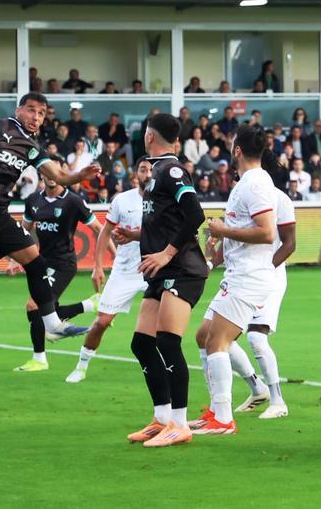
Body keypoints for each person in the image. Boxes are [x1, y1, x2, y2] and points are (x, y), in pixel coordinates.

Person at [0, 93, 101, 375]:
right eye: (31, 110)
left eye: (41, 113)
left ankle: (52, 324)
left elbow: (60, 176)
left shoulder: (31, 147)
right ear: (19, 110)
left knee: (35, 260)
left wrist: (81, 176)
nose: (36, 117)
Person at [120, 113, 208, 448]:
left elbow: (194, 215)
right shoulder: (155, 171)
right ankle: (161, 418)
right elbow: (166, 220)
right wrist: (133, 235)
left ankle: (180, 424)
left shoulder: (171, 170)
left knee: (168, 342)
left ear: (149, 136)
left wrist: (167, 254)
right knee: (141, 344)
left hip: (182, 269)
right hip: (160, 271)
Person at [193, 149, 296, 428]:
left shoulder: (278, 198)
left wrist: (267, 269)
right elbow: (235, 240)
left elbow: (287, 242)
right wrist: (214, 255)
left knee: (253, 338)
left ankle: (276, 400)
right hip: (242, 275)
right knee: (209, 336)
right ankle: (252, 390)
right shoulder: (243, 191)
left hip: (264, 277)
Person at [66, 158, 152, 383]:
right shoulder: (122, 200)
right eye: (143, 170)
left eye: (152, 170)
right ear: (136, 175)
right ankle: (81, 365)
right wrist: (97, 267)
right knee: (102, 322)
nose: (148, 174)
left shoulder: (165, 201)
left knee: (162, 324)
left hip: (154, 269)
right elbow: (104, 232)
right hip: (124, 271)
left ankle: (162, 368)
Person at [16, 156, 103, 371]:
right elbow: (24, 231)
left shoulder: (73, 201)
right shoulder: (33, 200)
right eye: (46, 170)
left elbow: (99, 230)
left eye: (56, 170)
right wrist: (13, 258)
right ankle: (90, 304)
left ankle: (39, 359)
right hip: (41, 262)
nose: (50, 175)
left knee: (33, 305)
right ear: (41, 173)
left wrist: (109, 260)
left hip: (63, 263)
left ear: (62, 172)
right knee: (47, 313)